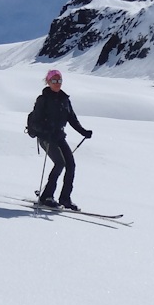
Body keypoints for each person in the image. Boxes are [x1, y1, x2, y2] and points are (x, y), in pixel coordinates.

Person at [27, 69, 93, 210]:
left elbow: (72, 119)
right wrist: (47, 131)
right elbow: (35, 122)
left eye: (59, 81)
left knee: (71, 165)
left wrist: (84, 132)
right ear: (48, 82)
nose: (57, 83)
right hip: (46, 137)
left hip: (59, 137)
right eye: (54, 81)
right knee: (60, 163)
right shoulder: (43, 99)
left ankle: (65, 199)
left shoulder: (65, 99)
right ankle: (47, 197)